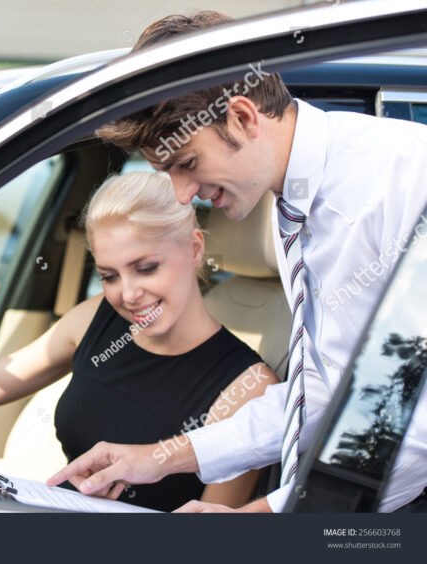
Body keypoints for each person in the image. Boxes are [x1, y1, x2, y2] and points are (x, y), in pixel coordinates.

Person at [45, 11, 427, 513]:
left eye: (186, 164)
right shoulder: (294, 204)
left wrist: (259, 518)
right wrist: (161, 457)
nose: (182, 195)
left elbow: (411, 424)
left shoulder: (400, 183)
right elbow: (322, 389)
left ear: (243, 118)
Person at [0, 171, 278, 512]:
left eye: (146, 267)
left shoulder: (248, 387)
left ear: (193, 248)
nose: (129, 294)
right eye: (110, 275)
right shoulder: (97, 317)